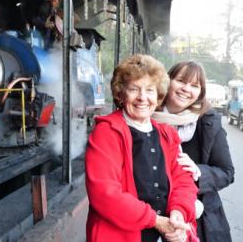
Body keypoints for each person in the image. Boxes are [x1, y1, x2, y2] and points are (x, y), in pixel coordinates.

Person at [85, 54, 198, 242]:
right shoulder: (106, 132)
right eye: (134, 89)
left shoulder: (167, 134)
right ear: (121, 94)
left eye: (150, 90)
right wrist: (155, 220)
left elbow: (183, 180)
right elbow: (105, 194)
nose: (142, 98)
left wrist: (178, 213)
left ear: (158, 95)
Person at [152, 61, 235, 242]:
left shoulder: (208, 123)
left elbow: (227, 172)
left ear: (200, 92)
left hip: (200, 221)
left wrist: (198, 171)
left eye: (195, 85)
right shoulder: (145, 115)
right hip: (152, 218)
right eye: (181, 80)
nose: (186, 89)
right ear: (167, 81)